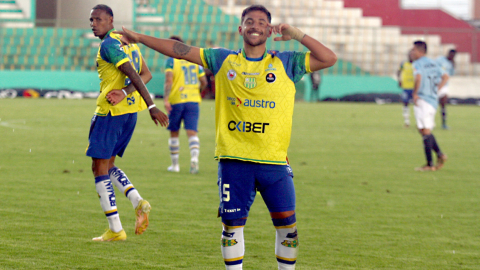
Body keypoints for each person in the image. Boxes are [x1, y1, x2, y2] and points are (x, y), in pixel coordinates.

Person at [113, 4, 336, 269]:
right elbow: (179, 51)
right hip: (234, 161)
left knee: (288, 228)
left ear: (269, 29)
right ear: (240, 28)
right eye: (249, 21)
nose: (255, 26)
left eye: (262, 22)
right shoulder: (223, 60)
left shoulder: (286, 62)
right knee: (232, 228)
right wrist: (139, 38)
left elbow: (328, 58)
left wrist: (297, 34)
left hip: (274, 163)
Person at [87, 4, 169, 242]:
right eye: (91, 20)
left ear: (111, 20)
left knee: (99, 168)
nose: (93, 23)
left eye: (98, 19)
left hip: (110, 113)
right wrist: (126, 93)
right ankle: (138, 202)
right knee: (108, 165)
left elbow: (134, 73)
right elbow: (146, 73)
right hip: (129, 113)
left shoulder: (109, 45)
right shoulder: (129, 42)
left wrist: (151, 105)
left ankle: (115, 229)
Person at [163, 36, 208, 173]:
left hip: (177, 100)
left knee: (174, 132)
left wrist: (165, 99)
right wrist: (196, 92)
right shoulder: (194, 60)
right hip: (193, 101)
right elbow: (204, 82)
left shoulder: (171, 61)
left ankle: (175, 166)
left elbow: (169, 81)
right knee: (192, 132)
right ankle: (194, 160)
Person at [411, 40, 449, 171]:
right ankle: (440, 155)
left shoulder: (417, 64)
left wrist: (415, 93)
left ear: (419, 51)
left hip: (423, 99)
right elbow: (445, 76)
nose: (412, 52)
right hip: (432, 100)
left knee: (425, 130)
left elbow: (418, 78)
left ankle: (429, 164)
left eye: (414, 50)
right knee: (422, 129)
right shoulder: (434, 63)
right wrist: (437, 89)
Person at [436, 49, 456, 129]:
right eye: (451, 54)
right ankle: (428, 123)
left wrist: (454, 66)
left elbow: (451, 74)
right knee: (432, 104)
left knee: (443, 104)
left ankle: (444, 123)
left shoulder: (451, 64)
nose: (451, 56)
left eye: (453, 56)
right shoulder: (440, 59)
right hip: (436, 84)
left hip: (444, 85)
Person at [397, 50, 415, 127]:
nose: (410, 56)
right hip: (406, 87)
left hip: (415, 87)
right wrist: (399, 80)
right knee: (405, 103)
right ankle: (407, 121)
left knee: (417, 104)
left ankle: (420, 122)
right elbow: (398, 71)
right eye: (409, 55)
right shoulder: (404, 63)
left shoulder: (417, 64)